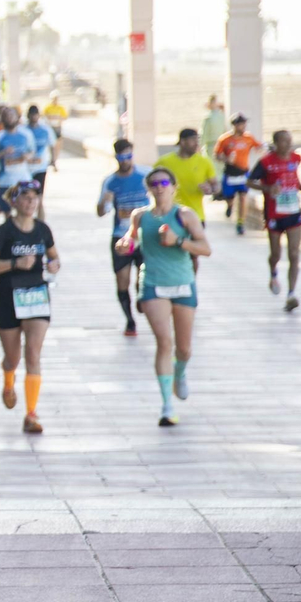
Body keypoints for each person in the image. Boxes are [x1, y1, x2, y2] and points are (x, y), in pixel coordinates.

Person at [115, 166, 212, 427]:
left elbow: (205, 249)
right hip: (153, 285)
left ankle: (179, 372)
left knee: (183, 348)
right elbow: (130, 239)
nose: (159, 187)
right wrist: (125, 245)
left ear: (173, 186)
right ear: (149, 188)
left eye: (164, 182)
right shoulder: (140, 216)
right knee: (164, 342)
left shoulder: (185, 215)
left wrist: (178, 242)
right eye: (154, 183)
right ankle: (167, 406)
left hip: (182, 284)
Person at [0, 181, 59, 434]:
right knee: (13, 357)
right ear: (14, 202)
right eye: (25, 197)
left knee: (33, 353)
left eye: (35, 197)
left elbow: (54, 256)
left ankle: (31, 414)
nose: (31, 202)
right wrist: (15, 263)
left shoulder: (43, 230)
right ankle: (8, 380)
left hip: (36, 295)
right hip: (7, 296)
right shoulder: (4, 231)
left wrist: (55, 265)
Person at [247, 129, 301, 311]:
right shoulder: (266, 162)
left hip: (293, 212)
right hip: (274, 214)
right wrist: (268, 188)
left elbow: (293, 178)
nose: (288, 144)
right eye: (284, 141)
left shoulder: (295, 158)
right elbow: (250, 181)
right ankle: (273, 272)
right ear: (276, 143)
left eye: (290, 141)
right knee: (276, 254)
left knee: (294, 254)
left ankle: (291, 294)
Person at [98, 138, 150, 336]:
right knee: (122, 279)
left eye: (129, 156)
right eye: (122, 157)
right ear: (116, 157)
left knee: (142, 277)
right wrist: (105, 201)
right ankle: (129, 320)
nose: (125, 160)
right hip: (121, 237)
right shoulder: (110, 182)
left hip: (143, 235)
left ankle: (141, 295)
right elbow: (100, 211)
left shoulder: (145, 175)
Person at [157, 127, 219, 226]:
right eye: (193, 140)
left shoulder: (204, 162)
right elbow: (151, 182)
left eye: (197, 140)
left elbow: (216, 185)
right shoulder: (164, 162)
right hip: (170, 215)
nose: (196, 144)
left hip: (196, 216)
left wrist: (210, 189)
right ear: (182, 141)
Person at [214, 114, 262, 234]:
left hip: (243, 172)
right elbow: (217, 155)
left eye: (244, 124)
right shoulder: (225, 139)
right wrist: (226, 159)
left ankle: (240, 223)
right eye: (241, 124)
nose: (243, 127)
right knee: (230, 197)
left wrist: (262, 148)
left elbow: (258, 146)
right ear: (235, 125)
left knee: (243, 196)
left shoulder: (248, 137)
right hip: (230, 172)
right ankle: (229, 205)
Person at [0, 106, 36, 216]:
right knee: (7, 213)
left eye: (12, 116)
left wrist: (27, 156)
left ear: (17, 118)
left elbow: (32, 151)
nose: (10, 119)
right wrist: (3, 153)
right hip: (6, 180)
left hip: (23, 179)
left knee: (24, 211)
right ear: (2, 119)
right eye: (7, 117)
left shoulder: (26, 134)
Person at [25, 106, 57, 217]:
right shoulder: (24, 130)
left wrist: (53, 160)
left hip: (41, 167)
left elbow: (53, 145)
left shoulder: (45, 129)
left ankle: (40, 222)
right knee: (26, 197)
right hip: (26, 168)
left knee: (39, 197)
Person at [201, 95, 226, 165]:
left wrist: (200, 146)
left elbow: (204, 134)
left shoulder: (208, 118)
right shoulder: (222, 116)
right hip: (221, 146)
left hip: (210, 146)